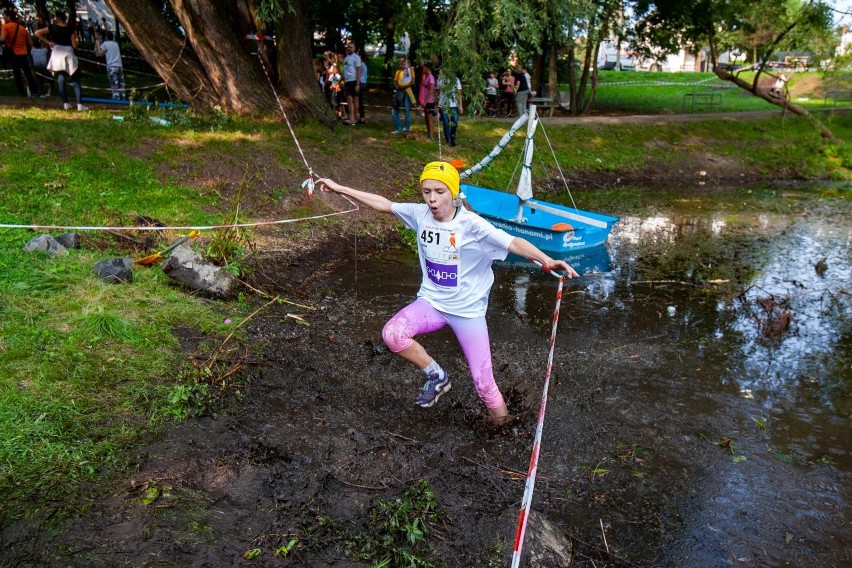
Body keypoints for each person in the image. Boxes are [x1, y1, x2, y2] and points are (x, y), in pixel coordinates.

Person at [316, 162, 578, 424]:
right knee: (393, 335)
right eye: (426, 191)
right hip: (432, 303)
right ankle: (436, 376)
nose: (432, 199)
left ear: (453, 193)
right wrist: (339, 188)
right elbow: (384, 204)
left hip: (468, 313)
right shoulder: (419, 214)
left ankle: (503, 427)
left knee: (484, 385)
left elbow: (513, 242)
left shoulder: (472, 225)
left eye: (439, 191)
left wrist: (547, 260)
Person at [35, 11, 86, 111]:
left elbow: (37, 33)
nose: (54, 19)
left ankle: (65, 103)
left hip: (57, 52)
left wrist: (48, 42)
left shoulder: (52, 28)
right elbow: (74, 45)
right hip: (68, 52)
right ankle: (79, 104)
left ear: (58, 18)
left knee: (61, 79)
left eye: (55, 17)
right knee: (75, 79)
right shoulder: (70, 28)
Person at [0, 9, 39, 97]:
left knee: (17, 74)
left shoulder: (5, 27)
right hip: (23, 54)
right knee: (28, 74)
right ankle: (36, 92)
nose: (3, 17)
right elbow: (30, 42)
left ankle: (22, 93)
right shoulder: (22, 28)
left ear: (9, 17)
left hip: (13, 54)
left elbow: (2, 39)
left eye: (4, 16)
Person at [95, 31, 125, 100]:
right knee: (121, 83)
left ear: (106, 37)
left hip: (111, 67)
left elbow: (100, 54)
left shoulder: (105, 44)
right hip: (119, 66)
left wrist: (98, 44)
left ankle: (116, 98)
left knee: (114, 84)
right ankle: (123, 98)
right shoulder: (116, 44)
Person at [437, 68, 463, 147]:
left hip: (454, 104)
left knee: (455, 122)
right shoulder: (440, 79)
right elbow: (437, 92)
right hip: (443, 104)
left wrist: (460, 106)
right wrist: (437, 105)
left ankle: (453, 137)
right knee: (446, 122)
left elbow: (458, 94)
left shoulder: (456, 80)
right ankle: (448, 140)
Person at [391, 56, 414, 135]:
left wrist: (402, 86)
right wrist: (397, 86)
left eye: (402, 62)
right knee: (394, 110)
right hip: (398, 92)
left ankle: (407, 129)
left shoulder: (409, 71)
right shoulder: (398, 72)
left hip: (406, 92)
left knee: (406, 111)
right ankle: (399, 128)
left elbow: (412, 82)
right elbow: (395, 82)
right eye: (400, 62)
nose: (401, 63)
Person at [342, 41, 362, 125]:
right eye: (348, 47)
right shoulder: (346, 58)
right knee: (349, 100)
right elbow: (344, 70)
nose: (349, 48)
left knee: (355, 99)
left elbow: (358, 70)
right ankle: (351, 118)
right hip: (347, 81)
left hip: (354, 80)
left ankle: (356, 116)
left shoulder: (356, 57)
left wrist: (357, 83)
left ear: (354, 48)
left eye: (350, 47)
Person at [418, 62, 436, 139]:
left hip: (429, 101)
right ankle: (428, 133)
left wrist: (425, 101)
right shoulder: (427, 76)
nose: (423, 69)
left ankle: (431, 135)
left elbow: (431, 91)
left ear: (428, 68)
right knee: (426, 118)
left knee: (429, 118)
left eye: (424, 68)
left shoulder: (431, 78)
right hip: (425, 100)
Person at [358, 49, 368, 124]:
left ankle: (362, 118)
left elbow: (358, 74)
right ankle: (361, 117)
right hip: (362, 83)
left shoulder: (361, 65)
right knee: (358, 101)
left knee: (359, 101)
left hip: (361, 83)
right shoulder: (363, 65)